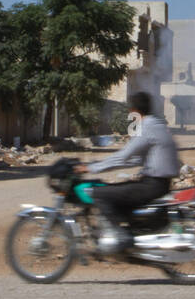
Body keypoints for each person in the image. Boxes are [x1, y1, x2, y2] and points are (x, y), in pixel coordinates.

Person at [76, 91, 180, 253]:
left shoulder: (146, 126)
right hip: (159, 183)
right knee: (119, 191)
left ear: (134, 111)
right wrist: (99, 165)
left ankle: (121, 237)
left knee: (100, 193)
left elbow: (124, 156)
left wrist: (91, 167)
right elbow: (135, 159)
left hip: (152, 184)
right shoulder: (157, 124)